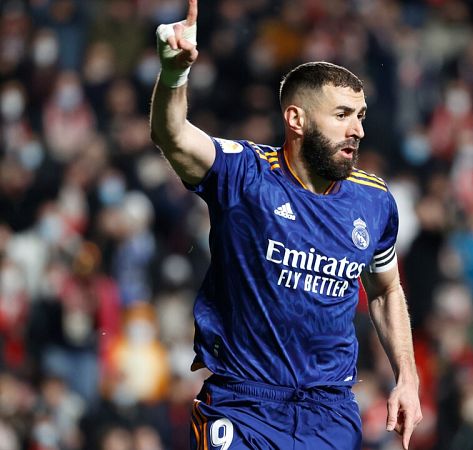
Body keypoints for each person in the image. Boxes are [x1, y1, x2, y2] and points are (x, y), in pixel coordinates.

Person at [148, 1, 423, 449]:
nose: (357, 130)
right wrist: (175, 74)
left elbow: (385, 289)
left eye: (360, 116)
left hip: (330, 413)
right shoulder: (245, 175)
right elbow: (172, 136)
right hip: (244, 405)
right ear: (296, 119)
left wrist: (407, 378)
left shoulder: (374, 201)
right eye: (342, 115)